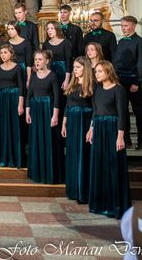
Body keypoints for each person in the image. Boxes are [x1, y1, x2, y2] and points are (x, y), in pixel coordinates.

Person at [87, 61, 131, 218]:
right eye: (96, 71)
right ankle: (101, 203)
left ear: (108, 72)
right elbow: (95, 111)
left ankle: (115, 205)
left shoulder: (118, 90)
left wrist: (120, 136)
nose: (97, 74)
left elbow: (122, 114)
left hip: (112, 129)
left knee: (113, 166)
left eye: (100, 71)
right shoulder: (98, 89)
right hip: (99, 128)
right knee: (100, 164)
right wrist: (91, 128)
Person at [25, 50, 62, 184]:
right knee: (36, 139)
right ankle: (37, 172)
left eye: (40, 59)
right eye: (36, 60)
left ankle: (49, 172)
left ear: (47, 61)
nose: (37, 62)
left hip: (47, 110)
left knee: (48, 140)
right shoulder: (33, 76)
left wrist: (55, 115)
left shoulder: (53, 76)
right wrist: (27, 112)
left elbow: (57, 97)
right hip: (35, 110)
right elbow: (29, 95)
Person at [61, 56, 93, 204]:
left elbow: (96, 108)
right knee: (73, 154)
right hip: (72, 121)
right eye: (74, 67)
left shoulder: (92, 85)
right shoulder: (73, 84)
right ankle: (73, 190)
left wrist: (92, 127)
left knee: (83, 155)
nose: (75, 69)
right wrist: (64, 123)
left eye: (78, 67)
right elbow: (68, 105)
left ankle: (83, 192)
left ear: (85, 68)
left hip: (84, 121)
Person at [0, 44, 24, 168]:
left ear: (11, 53)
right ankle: (2, 157)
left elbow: (21, 88)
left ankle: (14, 159)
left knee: (14, 128)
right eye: (1, 53)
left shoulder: (18, 68)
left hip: (14, 99)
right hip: (1, 99)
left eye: (5, 52)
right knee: (2, 128)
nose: (3, 55)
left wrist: (20, 105)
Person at [113, 15, 142, 149]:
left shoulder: (139, 42)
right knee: (122, 111)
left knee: (138, 111)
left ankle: (141, 141)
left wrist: (137, 82)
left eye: (125, 26)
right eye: (122, 25)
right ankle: (126, 139)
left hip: (134, 81)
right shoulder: (121, 41)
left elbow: (140, 63)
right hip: (121, 81)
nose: (123, 28)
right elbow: (117, 62)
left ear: (133, 25)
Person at [42, 21, 72, 115]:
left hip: (62, 74)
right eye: (48, 29)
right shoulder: (46, 44)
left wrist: (67, 80)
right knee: (51, 97)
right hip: (50, 73)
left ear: (57, 29)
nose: (49, 31)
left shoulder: (66, 42)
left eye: (52, 28)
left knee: (62, 98)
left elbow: (68, 63)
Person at [6, 21, 32, 86]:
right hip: (10, 71)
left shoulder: (26, 43)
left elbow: (28, 64)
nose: (10, 31)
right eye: (8, 29)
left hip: (22, 71)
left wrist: (28, 79)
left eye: (12, 29)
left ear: (17, 29)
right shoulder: (6, 43)